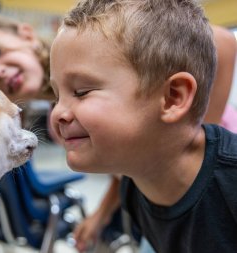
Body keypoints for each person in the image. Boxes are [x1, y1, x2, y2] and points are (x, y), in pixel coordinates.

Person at [49, 0, 237, 252]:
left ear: (172, 97)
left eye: (82, 91)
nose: (58, 113)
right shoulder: (134, 187)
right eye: (56, 96)